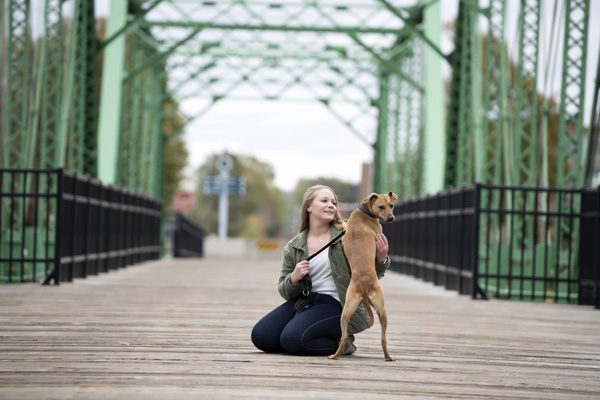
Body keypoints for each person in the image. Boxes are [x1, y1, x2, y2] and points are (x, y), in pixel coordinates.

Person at [251, 184, 391, 356]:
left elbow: (368, 275)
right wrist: (294, 278)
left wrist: (381, 258)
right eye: (324, 200)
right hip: (305, 302)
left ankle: (343, 343)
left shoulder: (349, 233)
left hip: (337, 303)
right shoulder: (294, 245)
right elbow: (285, 291)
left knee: (293, 339)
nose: (331, 205)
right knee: (261, 337)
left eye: (333, 202)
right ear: (308, 207)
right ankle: (298, 337)